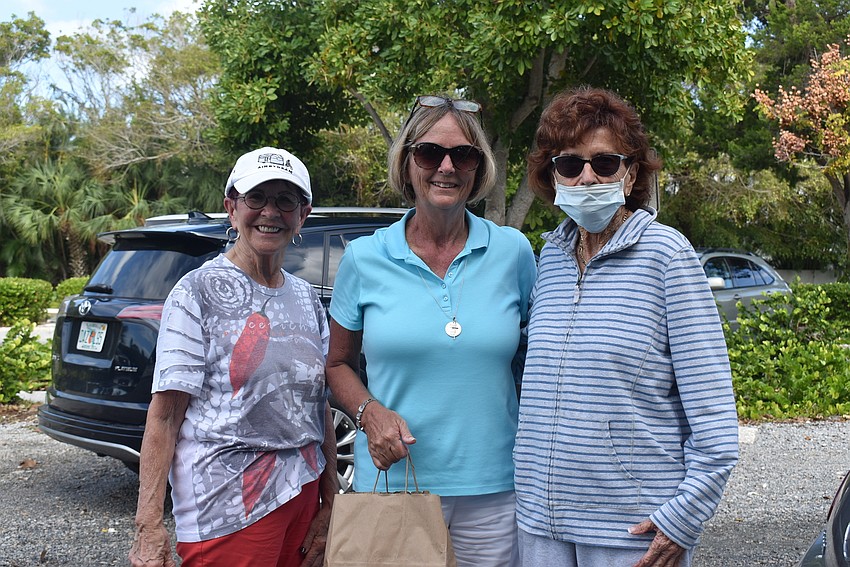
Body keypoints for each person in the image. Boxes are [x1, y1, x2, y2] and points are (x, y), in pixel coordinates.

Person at [513, 86, 739, 567]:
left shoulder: (668, 257)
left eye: (605, 162)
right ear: (553, 176)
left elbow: (716, 423)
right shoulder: (550, 257)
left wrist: (683, 517)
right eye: (569, 165)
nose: (587, 176)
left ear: (631, 171)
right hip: (541, 525)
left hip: (631, 533)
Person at [326, 94, 536, 566]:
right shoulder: (364, 258)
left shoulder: (514, 253)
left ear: (478, 169)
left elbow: (540, 358)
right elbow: (336, 364)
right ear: (406, 163)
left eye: (463, 154)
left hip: (494, 489)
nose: (446, 166)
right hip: (394, 483)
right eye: (429, 153)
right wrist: (368, 412)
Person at [129, 147, 337, 567]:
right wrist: (149, 524)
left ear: (304, 214)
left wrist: (330, 499)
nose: (270, 212)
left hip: (303, 495)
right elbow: (166, 415)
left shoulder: (305, 297)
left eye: (285, 200)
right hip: (227, 507)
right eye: (256, 198)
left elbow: (320, 408)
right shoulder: (197, 292)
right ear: (231, 207)